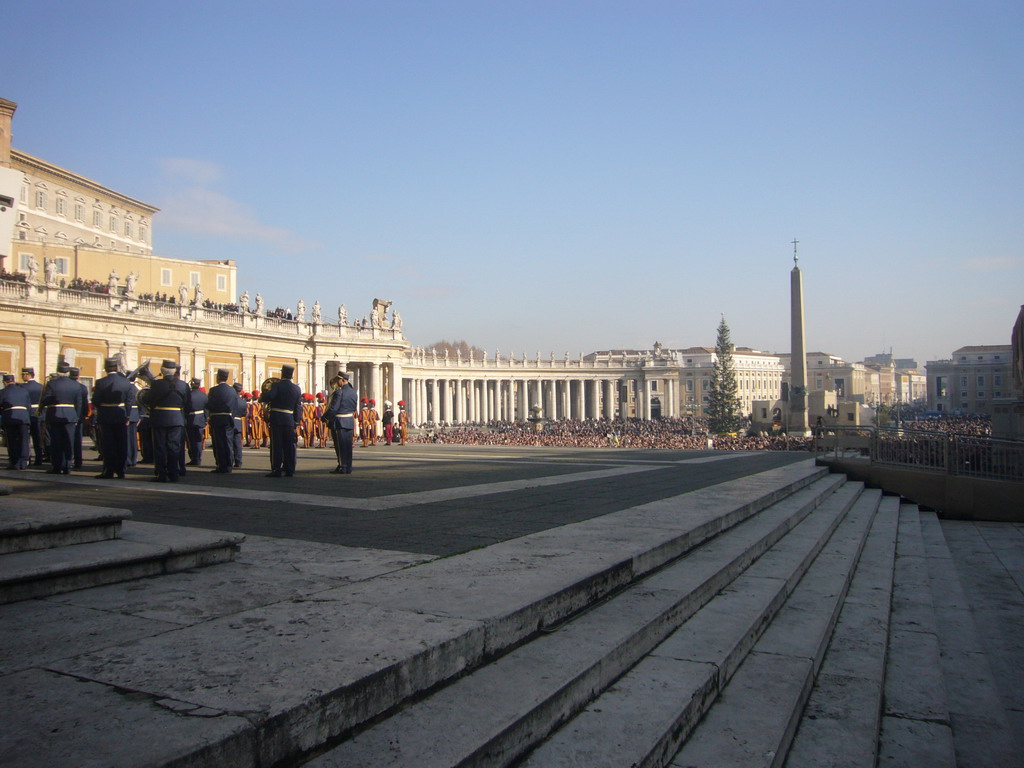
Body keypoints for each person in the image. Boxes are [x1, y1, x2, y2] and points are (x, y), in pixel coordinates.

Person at [38, 361, 84, 474]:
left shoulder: (52, 384)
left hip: (55, 414)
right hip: (70, 415)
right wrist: (77, 417)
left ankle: (57, 466)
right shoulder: (76, 385)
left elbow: (45, 399)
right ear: (68, 371)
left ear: (58, 371)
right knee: (69, 441)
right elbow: (79, 403)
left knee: (56, 442)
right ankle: (68, 465)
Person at [147, 360, 189, 482]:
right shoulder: (183, 385)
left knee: (160, 447)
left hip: (160, 417)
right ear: (175, 371)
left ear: (162, 370)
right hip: (177, 418)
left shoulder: (156, 384)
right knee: (174, 447)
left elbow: (150, 401)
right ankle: (174, 473)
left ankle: (161, 474)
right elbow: (188, 403)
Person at [91, 357, 133, 479]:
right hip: (121, 415)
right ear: (117, 367)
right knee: (122, 443)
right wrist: (128, 415)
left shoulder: (101, 382)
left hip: (106, 415)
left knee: (108, 444)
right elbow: (129, 401)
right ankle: (121, 470)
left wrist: (102, 407)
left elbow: (95, 400)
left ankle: (108, 470)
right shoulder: (126, 382)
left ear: (105, 368)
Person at [260, 364, 302, 477]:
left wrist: (263, 396)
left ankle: (276, 469)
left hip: (277, 418)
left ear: (282, 373)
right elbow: (298, 407)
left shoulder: (276, 385)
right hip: (289, 419)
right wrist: (297, 422)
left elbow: (270, 397)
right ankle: (290, 469)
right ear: (291, 375)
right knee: (289, 445)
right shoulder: (296, 388)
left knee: (277, 444)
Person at [323, 371, 358, 473]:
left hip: (340, 421)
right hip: (349, 421)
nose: (337, 382)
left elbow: (334, 408)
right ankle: (348, 467)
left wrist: (325, 417)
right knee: (348, 446)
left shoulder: (339, 392)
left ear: (343, 380)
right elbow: (354, 407)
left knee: (340, 446)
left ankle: (342, 466)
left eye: (338, 380)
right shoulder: (353, 392)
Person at [206, 369, 241, 473]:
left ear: (218, 378)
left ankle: (221, 465)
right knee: (228, 442)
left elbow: (209, 404)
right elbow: (235, 406)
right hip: (228, 419)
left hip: (217, 419)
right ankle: (229, 465)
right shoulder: (232, 391)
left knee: (219, 443)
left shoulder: (213, 390)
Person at [0, 373, 32, 469]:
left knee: (12, 441)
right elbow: (28, 406)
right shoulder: (24, 391)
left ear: (5, 382)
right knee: (24, 440)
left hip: (10, 417)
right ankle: (23, 461)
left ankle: (14, 462)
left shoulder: (2, 392)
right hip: (23, 417)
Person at [19, 367, 44, 465]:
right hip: (38, 413)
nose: (22, 377)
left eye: (23, 375)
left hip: (26, 413)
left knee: (25, 438)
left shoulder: (22, 387)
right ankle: (39, 458)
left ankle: (27, 458)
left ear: (27, 375)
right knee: (37, 437)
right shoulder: (41, 386)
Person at [68, 367, 89, 468]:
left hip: (68, 416)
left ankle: (68, 460)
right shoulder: (83, 387)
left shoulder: (68, 386)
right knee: (77, 440)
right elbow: (84, 403)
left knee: (67, 439)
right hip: (79, 416)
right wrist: (84, 415)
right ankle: (78, 461)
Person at [185, 378, 208, 466]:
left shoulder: (188, 395)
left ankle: (194, 458)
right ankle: (198, 457)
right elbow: (206, 409)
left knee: (191, 440)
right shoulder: (204, 395)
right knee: (199, 440)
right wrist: (205, 419)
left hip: (190, 419)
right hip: (200, 419)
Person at [231, 383, 246, 467]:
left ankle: (229, 461)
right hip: (238, 422)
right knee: (237, 444)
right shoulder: (243, 402)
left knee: (229, 443)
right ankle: (238, 461)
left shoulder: (230, 400)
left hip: (230, 421)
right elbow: (244, 414)